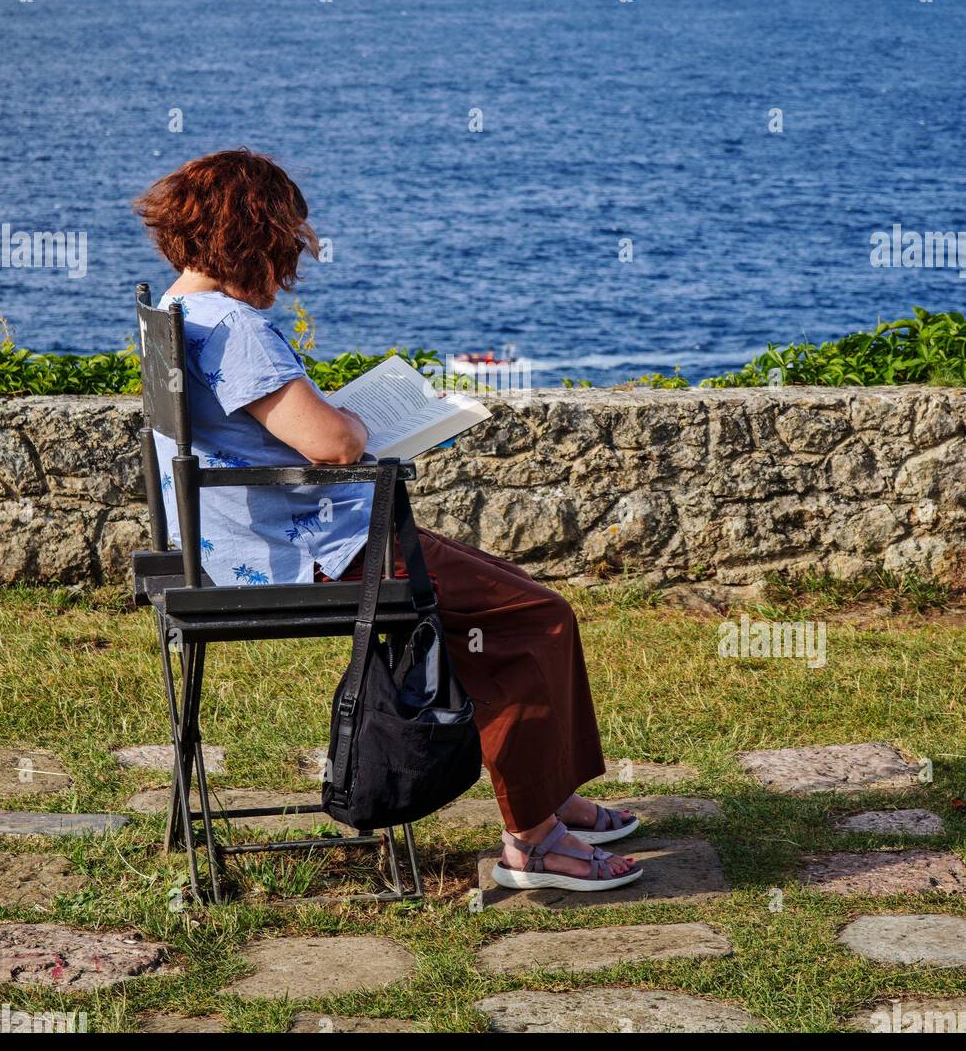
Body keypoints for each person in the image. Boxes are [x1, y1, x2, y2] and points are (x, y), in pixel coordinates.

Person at [136, 149, 641, 892]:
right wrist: (355, 425)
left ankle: (549, 794)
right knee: (537, 618)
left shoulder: (177, 312)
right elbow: (333, 444)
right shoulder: (235, 329)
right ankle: (534, 841)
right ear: (253, 239)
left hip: (232, 542)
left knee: (516, 596)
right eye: (284, 246)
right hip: (311, 551)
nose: (290, 265)